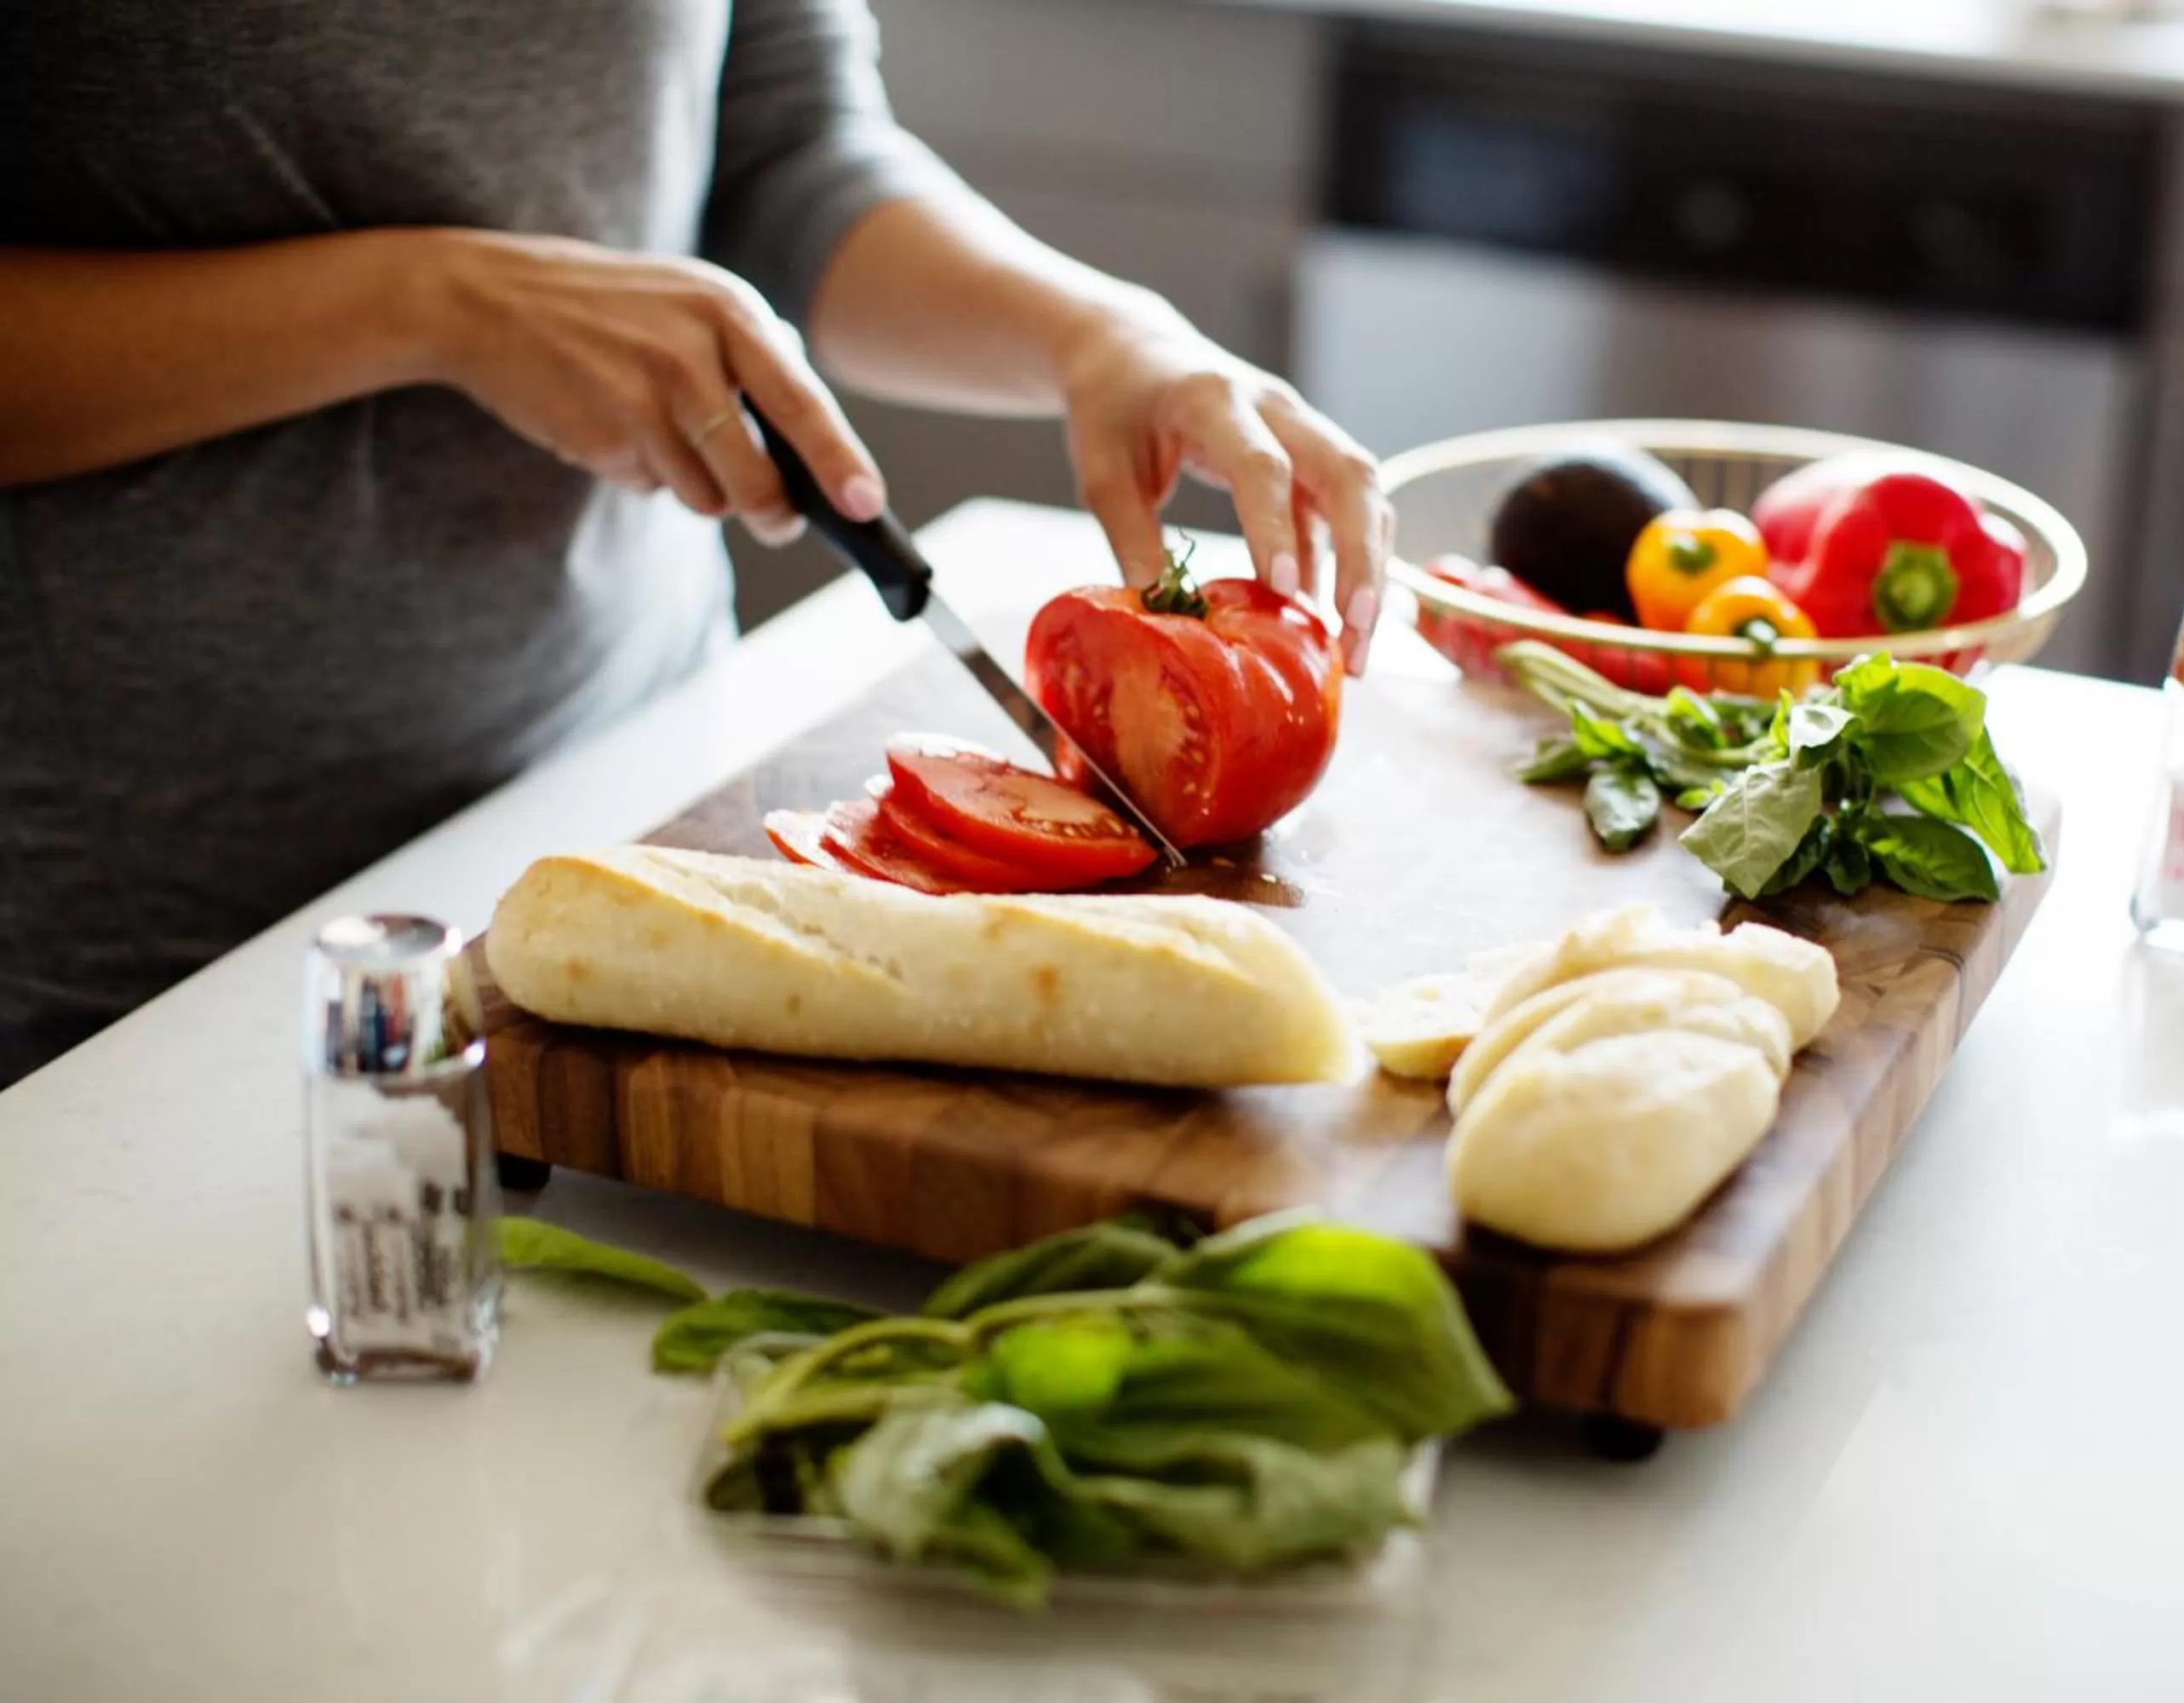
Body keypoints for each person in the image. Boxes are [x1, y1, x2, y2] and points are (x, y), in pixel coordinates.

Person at [0, 2, 1392, 1088]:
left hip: (639, 814)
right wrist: (427, 301)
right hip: (137, 951)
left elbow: (789, 156)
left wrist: (1103, 335)